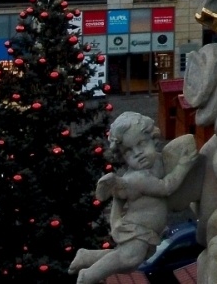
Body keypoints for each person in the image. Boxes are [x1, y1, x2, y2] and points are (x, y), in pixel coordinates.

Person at [69, 113, 197, 284]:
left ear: (153, 139)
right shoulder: (138, 178)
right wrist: (183, 165)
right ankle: (89, 275)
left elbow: (119, 197)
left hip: (148, 230)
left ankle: (86, 256)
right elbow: (167, 187)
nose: (138, 154)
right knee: (128, 259)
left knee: (128, 261)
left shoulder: (156, 162)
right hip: (138, 229)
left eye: (141, 143)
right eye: (128, 151)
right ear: (122, 157)